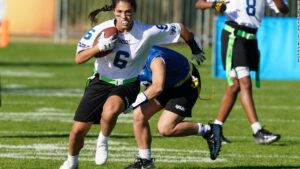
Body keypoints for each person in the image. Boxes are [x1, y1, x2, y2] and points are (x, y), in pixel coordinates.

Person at [59, 0, 205, 168]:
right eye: (120, 12)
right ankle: (72, 160)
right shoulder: (101, 30)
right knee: (78, 130)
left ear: (134, 11)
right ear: (114, 11)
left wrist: (195, 48)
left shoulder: (145, 32)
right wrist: (98, 47)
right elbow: (79, 58)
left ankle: (102, 141)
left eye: (128, 12)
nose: (124, 16)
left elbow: (180, 28)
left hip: (127, 83)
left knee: (110, 110)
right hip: (101, 81)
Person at [195, 0, 289, 144]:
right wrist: (213, 5)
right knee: (245, 83)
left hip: (250, 38)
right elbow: (199, 4)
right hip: (234, 35)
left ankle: (216, 130)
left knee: (234, 86)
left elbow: (284, 9)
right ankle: (257, 131)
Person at [124, 45, 222, 169]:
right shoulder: (126, 60)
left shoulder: (154, 58)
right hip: (165, 84)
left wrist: (134, 102)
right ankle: (145, 161)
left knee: (166, 128)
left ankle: (208, 130)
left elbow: (158, 87)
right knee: (139, 115)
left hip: (185, 84)